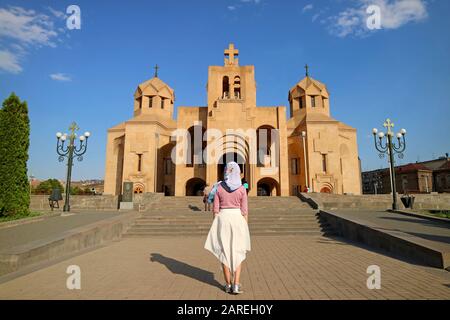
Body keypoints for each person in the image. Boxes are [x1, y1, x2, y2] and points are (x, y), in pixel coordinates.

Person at [204, 162, 251, 294]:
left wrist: (216, 225)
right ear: (238, 172)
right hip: (238, 218)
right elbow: (245, 210)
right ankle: (236, 284)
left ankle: (227, 284)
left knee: (224, 251)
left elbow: (215, 209)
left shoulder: (218, 187)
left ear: (226, 172)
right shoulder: (242, 189)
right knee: (238, 251)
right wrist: (245, 227)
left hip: (223, 218)